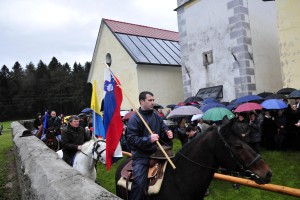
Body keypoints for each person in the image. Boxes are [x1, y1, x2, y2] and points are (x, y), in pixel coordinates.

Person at [126, 91, 173, 200]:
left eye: (153, 100)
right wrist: (148, 139)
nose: (153, 102)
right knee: (139, 183)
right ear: (142, 102)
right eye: (150, 100)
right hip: (142, 156)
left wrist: (168, 134)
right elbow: (131, 139)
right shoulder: (135, 119)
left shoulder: (156, 116)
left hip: (158, 153)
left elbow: (163, 131)